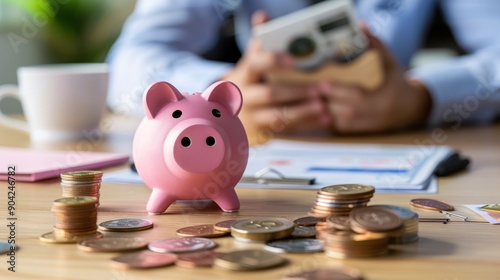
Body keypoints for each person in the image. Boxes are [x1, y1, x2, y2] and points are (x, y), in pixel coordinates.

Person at [107, 0, 500, 141]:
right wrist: (217, 96)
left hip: (396, 142)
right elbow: (127, 63)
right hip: (262, 153)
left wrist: (421, 98)